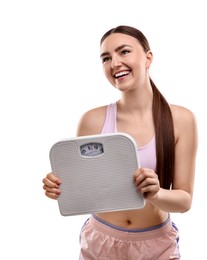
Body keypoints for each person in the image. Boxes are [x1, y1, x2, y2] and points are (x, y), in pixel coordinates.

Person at [42, 25, 198, 260]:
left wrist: (155, 194)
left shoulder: (181, 119)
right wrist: (59, 187)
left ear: (148, 58)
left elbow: (184, 200)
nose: (114, 63)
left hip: (156, 245)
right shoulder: (92, 120)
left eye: (124, 51)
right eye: (106, 58)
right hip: (100, 240)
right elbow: (84, 189)